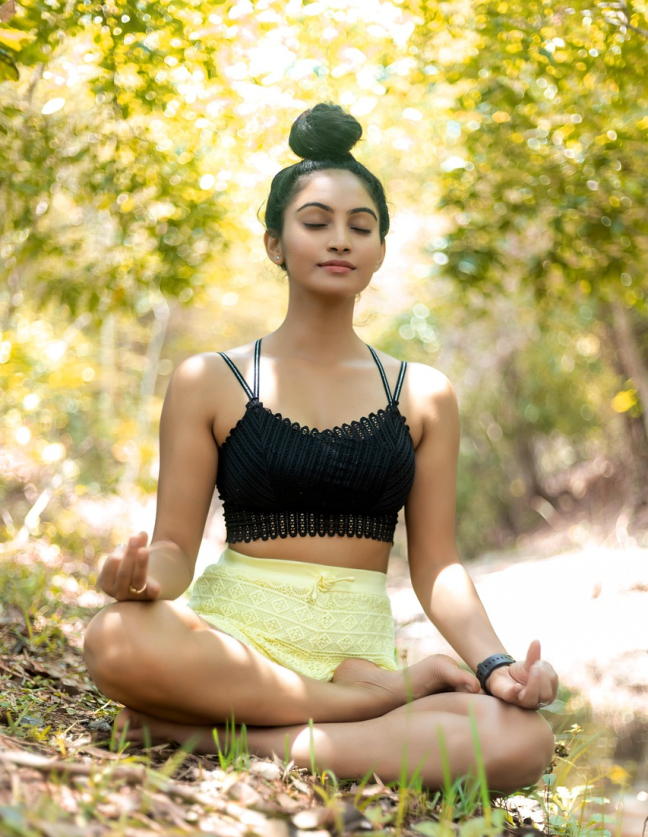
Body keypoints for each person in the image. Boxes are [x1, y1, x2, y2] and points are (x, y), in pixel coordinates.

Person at [83, 103, 557, 795]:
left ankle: (213, 735)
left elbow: (437, 564)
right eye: (315, 223)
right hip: (234, 649)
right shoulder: (209, 381)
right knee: (113, 636)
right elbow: (176, 551)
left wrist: (494, 665)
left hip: (352, 655)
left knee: (521, 741)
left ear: (380, 250)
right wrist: (145, 581)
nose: (340, 240)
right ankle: (365, 711)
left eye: (360, 227)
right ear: (275, 242)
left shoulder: (422, 394)